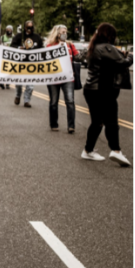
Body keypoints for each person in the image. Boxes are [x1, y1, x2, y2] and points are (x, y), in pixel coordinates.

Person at [81, 23, 132, 165]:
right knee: (111, 122)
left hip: (91, 90)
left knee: (97, 122)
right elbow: (122, 63)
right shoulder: (106, 47)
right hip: (104, 90)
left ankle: (88, 151)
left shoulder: (93, 47)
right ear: (110, 35)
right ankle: (116, 151)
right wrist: (131, 57)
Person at [45, 24, 78, 133]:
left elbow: (77, 56)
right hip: (54, 78)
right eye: (63, 32)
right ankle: (54, 124)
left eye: (66, 32)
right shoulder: (50, 45)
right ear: (57, 34)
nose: (65, 34)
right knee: (54, 101)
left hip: (68, 78)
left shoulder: (70, 45)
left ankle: (71, 126)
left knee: (70, 101)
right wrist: (59, 46)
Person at [11, 20, 43, 107]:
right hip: (20, 65)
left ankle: (26, 100)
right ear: (25, 27)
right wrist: (18, 48)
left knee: (30, 86)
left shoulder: (37, 37)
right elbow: (11, 46)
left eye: (31, 27)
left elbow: (42, 50)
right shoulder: (19, 36)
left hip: (32, 65)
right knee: (19, 84)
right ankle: (18, 96)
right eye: (28, 27)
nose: (29, 29)